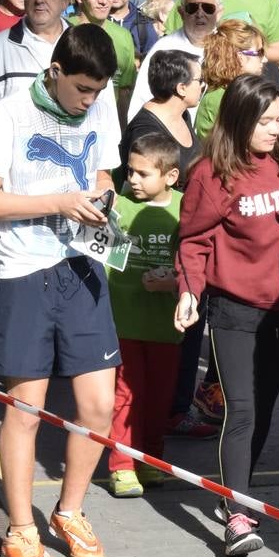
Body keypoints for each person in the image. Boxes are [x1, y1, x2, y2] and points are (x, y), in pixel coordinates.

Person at [0, 24, 122, 557]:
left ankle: (70, 512)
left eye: (97, 92)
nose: (90, 100)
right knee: (25, 408)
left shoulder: (99, 109)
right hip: (24, 271)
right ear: (54, 72)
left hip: (83, 267)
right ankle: (21, 527)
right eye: (82, 89)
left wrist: (103, 197)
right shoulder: (9, 114)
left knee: (99, 405)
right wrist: (59, 201)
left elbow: (102, 171)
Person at [174, 75, 279, 557]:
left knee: (265, 407)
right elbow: (192, 239)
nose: (274, 129)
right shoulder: (212, 173)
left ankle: (237, 489)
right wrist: (189, 291)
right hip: (233, 308)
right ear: (239, 119)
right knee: (243, 410)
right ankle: (238, 514)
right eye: (265, 121)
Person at [103, 132, 182, 498]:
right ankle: (121, 464)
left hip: (167, 325)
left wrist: (176, 282)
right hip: (124, 320)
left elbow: (196, 260)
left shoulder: (185, 209)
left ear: (170, 176)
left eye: (142, 174)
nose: (133, 180)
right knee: (126, 395)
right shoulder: (119, 207)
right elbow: (103, 258)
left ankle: (150, 458)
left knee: (159, 397)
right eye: (130, 172)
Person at [127, 0, 219, 123]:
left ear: (219, 12)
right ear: (181, 13)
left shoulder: (232, 47)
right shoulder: (164, 49)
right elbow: (140, 103)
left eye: (208, 8)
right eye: (192, 8)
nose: (200, 14)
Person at [71, 0, 137, 122]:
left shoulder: (124, 36)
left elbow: (124, 90)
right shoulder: (63, 29)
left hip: (107, 127)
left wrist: (122, 132)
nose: (104, 1)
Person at [121, 49, 202, 178]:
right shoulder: (146, 132)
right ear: (182, 88)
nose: (203, 86)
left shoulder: (183, 115)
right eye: (200, 80)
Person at [193, 19, 267, 137]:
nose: (265, 59)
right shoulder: (220, 98)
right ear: (239, 57)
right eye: (259, 52)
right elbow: (248, 140)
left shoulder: (237, 92)